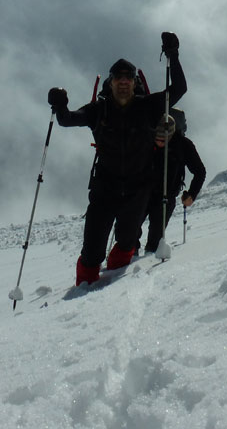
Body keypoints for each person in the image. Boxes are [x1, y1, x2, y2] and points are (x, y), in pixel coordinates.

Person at [48, 32, 186, 285]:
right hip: (104, 190)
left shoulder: (148, 106)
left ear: (134, 83)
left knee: (126, 244)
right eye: (118, 78)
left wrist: (173, 55)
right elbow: (68, 119)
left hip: (137, 189)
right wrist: (59, 107)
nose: (124, 82)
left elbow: (179, 89)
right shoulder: (98, 110)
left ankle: (111, 290)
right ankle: (83, 291)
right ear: (110, 83)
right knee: (92, 252)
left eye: (128, 78)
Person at [139, 108, 206, 254]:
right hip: (142, 191)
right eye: (156, 139)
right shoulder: (146, 139)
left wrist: (191, 195)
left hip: (166, 195)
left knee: (155, 237)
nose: (159, 143)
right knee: (129, 232)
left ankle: (147, 261)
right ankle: (128, 260)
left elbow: (199, 172)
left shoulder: (183, 145)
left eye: (163, 140)